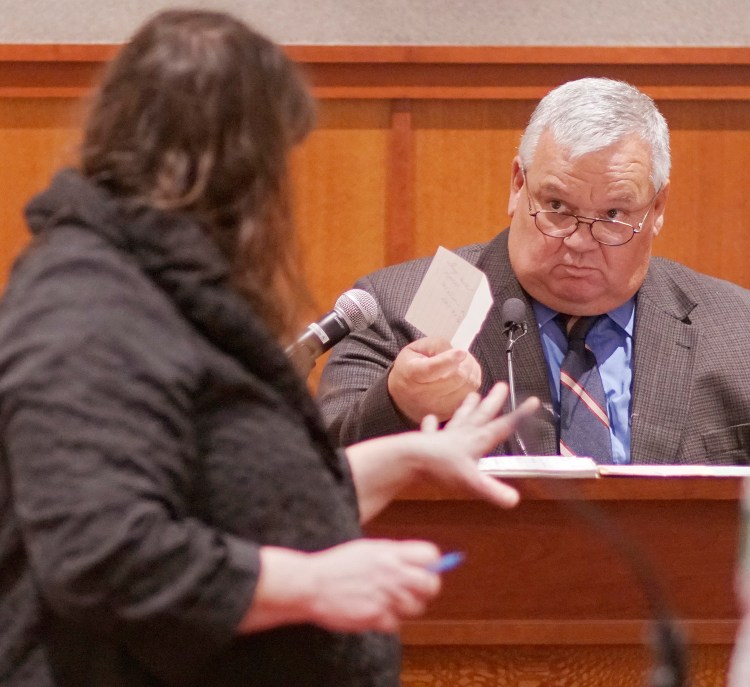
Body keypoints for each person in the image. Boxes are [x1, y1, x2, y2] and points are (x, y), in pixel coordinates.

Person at [0, 10, 540, 687]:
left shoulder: (158, 285)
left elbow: (234, 497)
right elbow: (101, 554)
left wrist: (404, 457)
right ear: (234, 169)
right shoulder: (86, 305)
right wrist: (313, 583)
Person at [318, 76, 750, 465]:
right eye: (557, 206)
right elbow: (317, 477)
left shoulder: (737, 331)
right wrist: (402, 404)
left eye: (614, 213)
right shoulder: (398, 309)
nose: (579, 241)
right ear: (518, 185)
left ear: (657, 208)